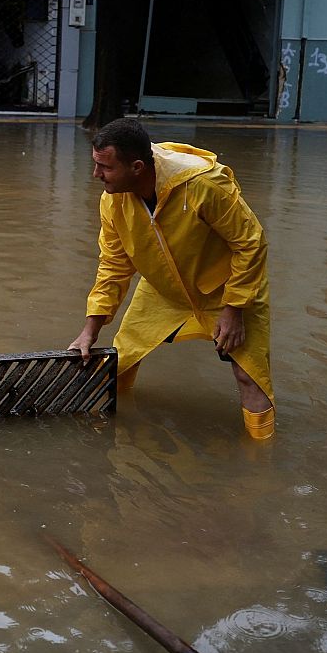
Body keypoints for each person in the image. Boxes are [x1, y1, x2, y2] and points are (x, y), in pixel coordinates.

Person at [67, 118, 276, 439]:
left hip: (229, 289)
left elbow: (250, 243)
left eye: (105, 168)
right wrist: (89, 329)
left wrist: (234, 309)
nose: (96, 175)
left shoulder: (204, 185)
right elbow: (113, 264)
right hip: (162, 288)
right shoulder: (113, 200)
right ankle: (109, 432)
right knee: (119, 364)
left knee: (250, 376)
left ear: (137, 167)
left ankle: (262, 460)